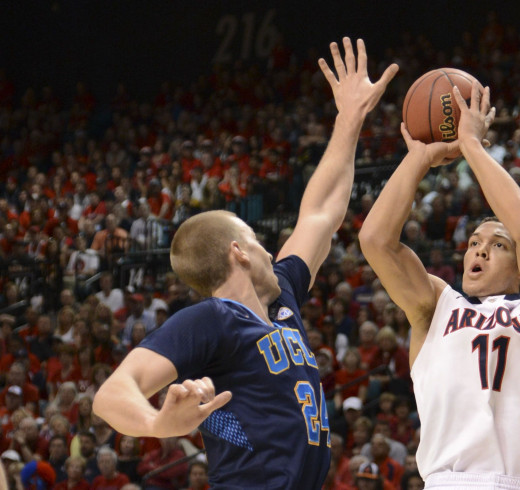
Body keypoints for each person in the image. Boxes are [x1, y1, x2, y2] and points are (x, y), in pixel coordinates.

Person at [92, 37, 398, 489]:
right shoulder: (212, 320)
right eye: (256, 240)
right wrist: (159, 424)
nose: (270, 250)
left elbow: (321, 214)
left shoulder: (283, 296)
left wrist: (350, 118)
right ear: (238, 251)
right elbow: (110, 394)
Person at [360, 83, 520, 487]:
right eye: (474, 242)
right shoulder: (436, 305)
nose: (480, 251)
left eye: (498, 245)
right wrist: (418, 160)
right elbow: (375, 241)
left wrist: (472, 146)